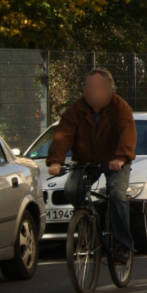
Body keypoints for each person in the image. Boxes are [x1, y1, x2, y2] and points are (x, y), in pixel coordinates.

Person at [47, 69, 137, 264]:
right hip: (87, 161)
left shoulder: (120, 107)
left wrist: (121, 157)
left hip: (115, 161)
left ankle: (122, 246)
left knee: (117, 195)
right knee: (72, 190)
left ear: (108, 89)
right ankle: (89, 218)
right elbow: (64, 134)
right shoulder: (76, 109)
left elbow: (127, 133)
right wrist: (56, 160)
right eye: (87, 87)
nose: (90, 91)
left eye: (95, 87)